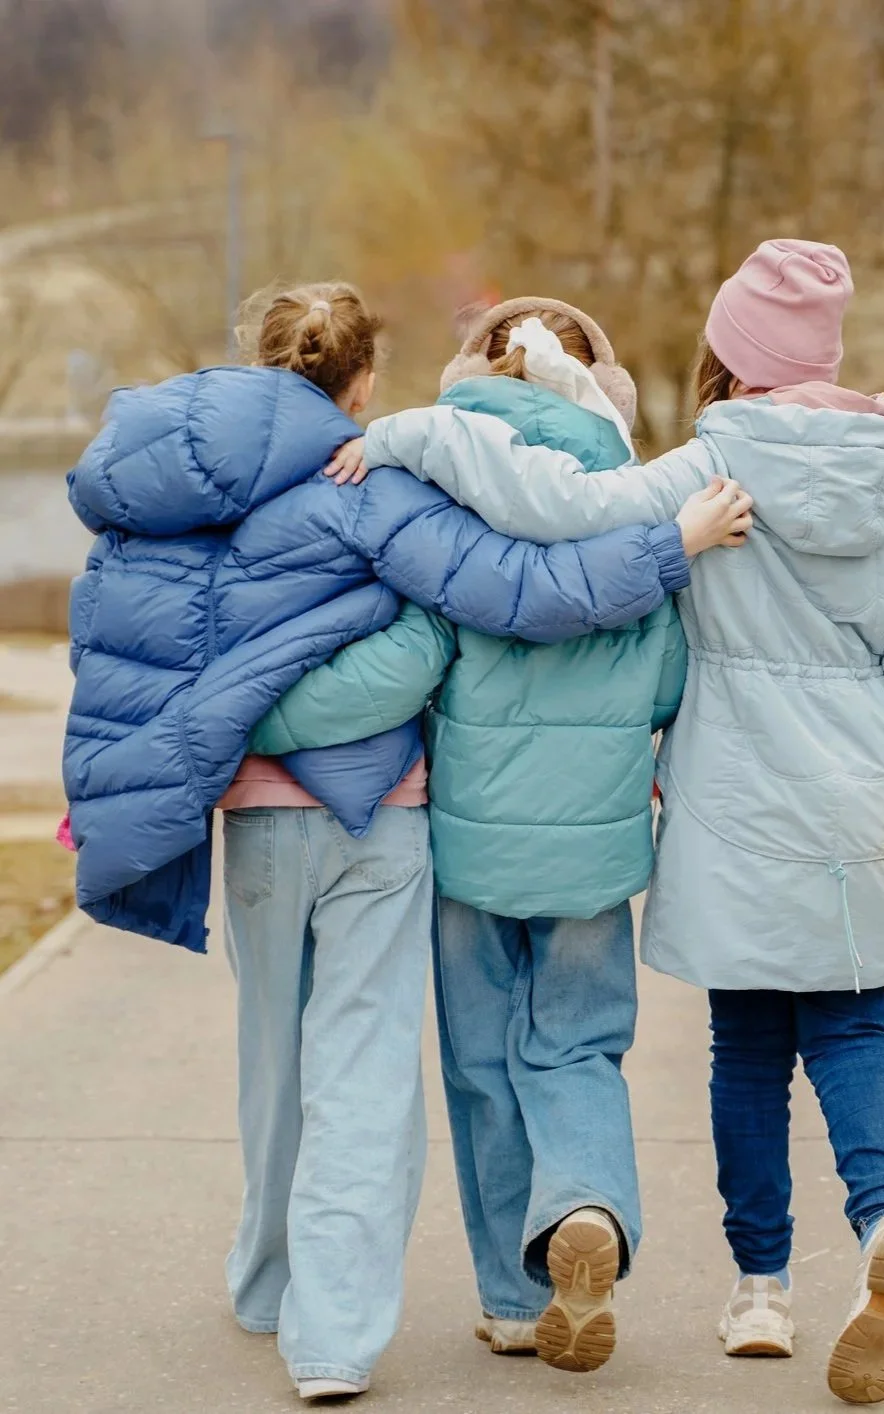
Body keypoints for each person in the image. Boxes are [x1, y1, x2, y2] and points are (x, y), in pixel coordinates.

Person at [62, 282, 746, 1403]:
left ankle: (267, 1281)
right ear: (361, 383)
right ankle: (332, 1336)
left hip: (256, 826)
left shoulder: (158, 498)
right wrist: (669, 547)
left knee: (272, 1057)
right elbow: (526, 592)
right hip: (379, 812)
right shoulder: (376, 481)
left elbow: (124, 658)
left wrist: (214, 727)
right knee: (365, 1068)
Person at [333, 242, 884, 1405]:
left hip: (734, 787)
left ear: (727, 356)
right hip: (855, 791)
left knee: (747, 1042)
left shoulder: (709, 461)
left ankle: (761, 1290)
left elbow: (566, 510)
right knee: (852, 1027)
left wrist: (409, 432)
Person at [250, 297, 752, 1375]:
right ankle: (586, 1209)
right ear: (600, 390)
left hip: (469, 847)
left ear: (469, 378)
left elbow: (424, 655)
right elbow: (668, 682)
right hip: (596, 849)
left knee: (482, 1061)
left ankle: (517, 1299)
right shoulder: (638, 504)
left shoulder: (441, 491)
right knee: (574, 1042)